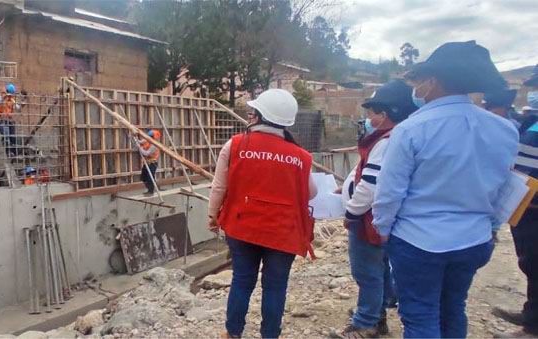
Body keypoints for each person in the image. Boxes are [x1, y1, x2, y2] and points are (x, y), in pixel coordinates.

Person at [371, 41, 519, 338]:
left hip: (418, 241)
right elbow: (504, 188)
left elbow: (389, 193)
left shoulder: (411, 130)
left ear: (433, 81)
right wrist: (489, 227)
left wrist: (383, 229)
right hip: (473, 239)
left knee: (420, 315)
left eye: (420, 81)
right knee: (453, 307)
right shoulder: (504, 130)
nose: (418, 87)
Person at [207, 89, 318, 338]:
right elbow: (310, 192)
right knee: (275, 287)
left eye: (251, 112)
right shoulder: (301, 156)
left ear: (258, 116)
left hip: (242, 225)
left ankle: (233, 332)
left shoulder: (235, 144)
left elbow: (219, 186)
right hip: (283, 232)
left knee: (242, 281)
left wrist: (213, 215)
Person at [334, 79, 416, 338]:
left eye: (371, 113)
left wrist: (351, 212)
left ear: (386, 113)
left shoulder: (386, 142)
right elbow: (365, 174)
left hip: (368, 220)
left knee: (367, 272)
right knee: (378, 270)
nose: (367, 118)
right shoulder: (388, 139)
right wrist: (346, 186)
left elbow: (372, 185)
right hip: (378, 218)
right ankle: (375, 315)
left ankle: (366, 323)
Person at [492, 64, 538, 337]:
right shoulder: (530, 121)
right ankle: (532, 313)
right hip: (526, 205)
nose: (532, 93)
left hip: (533, 204)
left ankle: (532, 328)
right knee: (531, 263)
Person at [0, 83, 19, 157]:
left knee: (13, 137)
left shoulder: (11, 100)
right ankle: (8, 152)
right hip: (0, 120)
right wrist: (4, 97)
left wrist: (23, 103)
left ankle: (14, 153)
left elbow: (17, 107)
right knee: (6, 134)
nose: (10, 96)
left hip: (9, 120)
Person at [137, 129, 161, 195]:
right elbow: (140, 142)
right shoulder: (147, 140)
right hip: (147, 163)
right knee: (143, 177)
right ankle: (149, 189)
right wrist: (133, 137)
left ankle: (151, 191)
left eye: (151, 137)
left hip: (152, 163)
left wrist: (140, 148)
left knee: (150, 177)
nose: (149, 138)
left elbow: (146, 153)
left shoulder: (154, 145)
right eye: (149, 136)